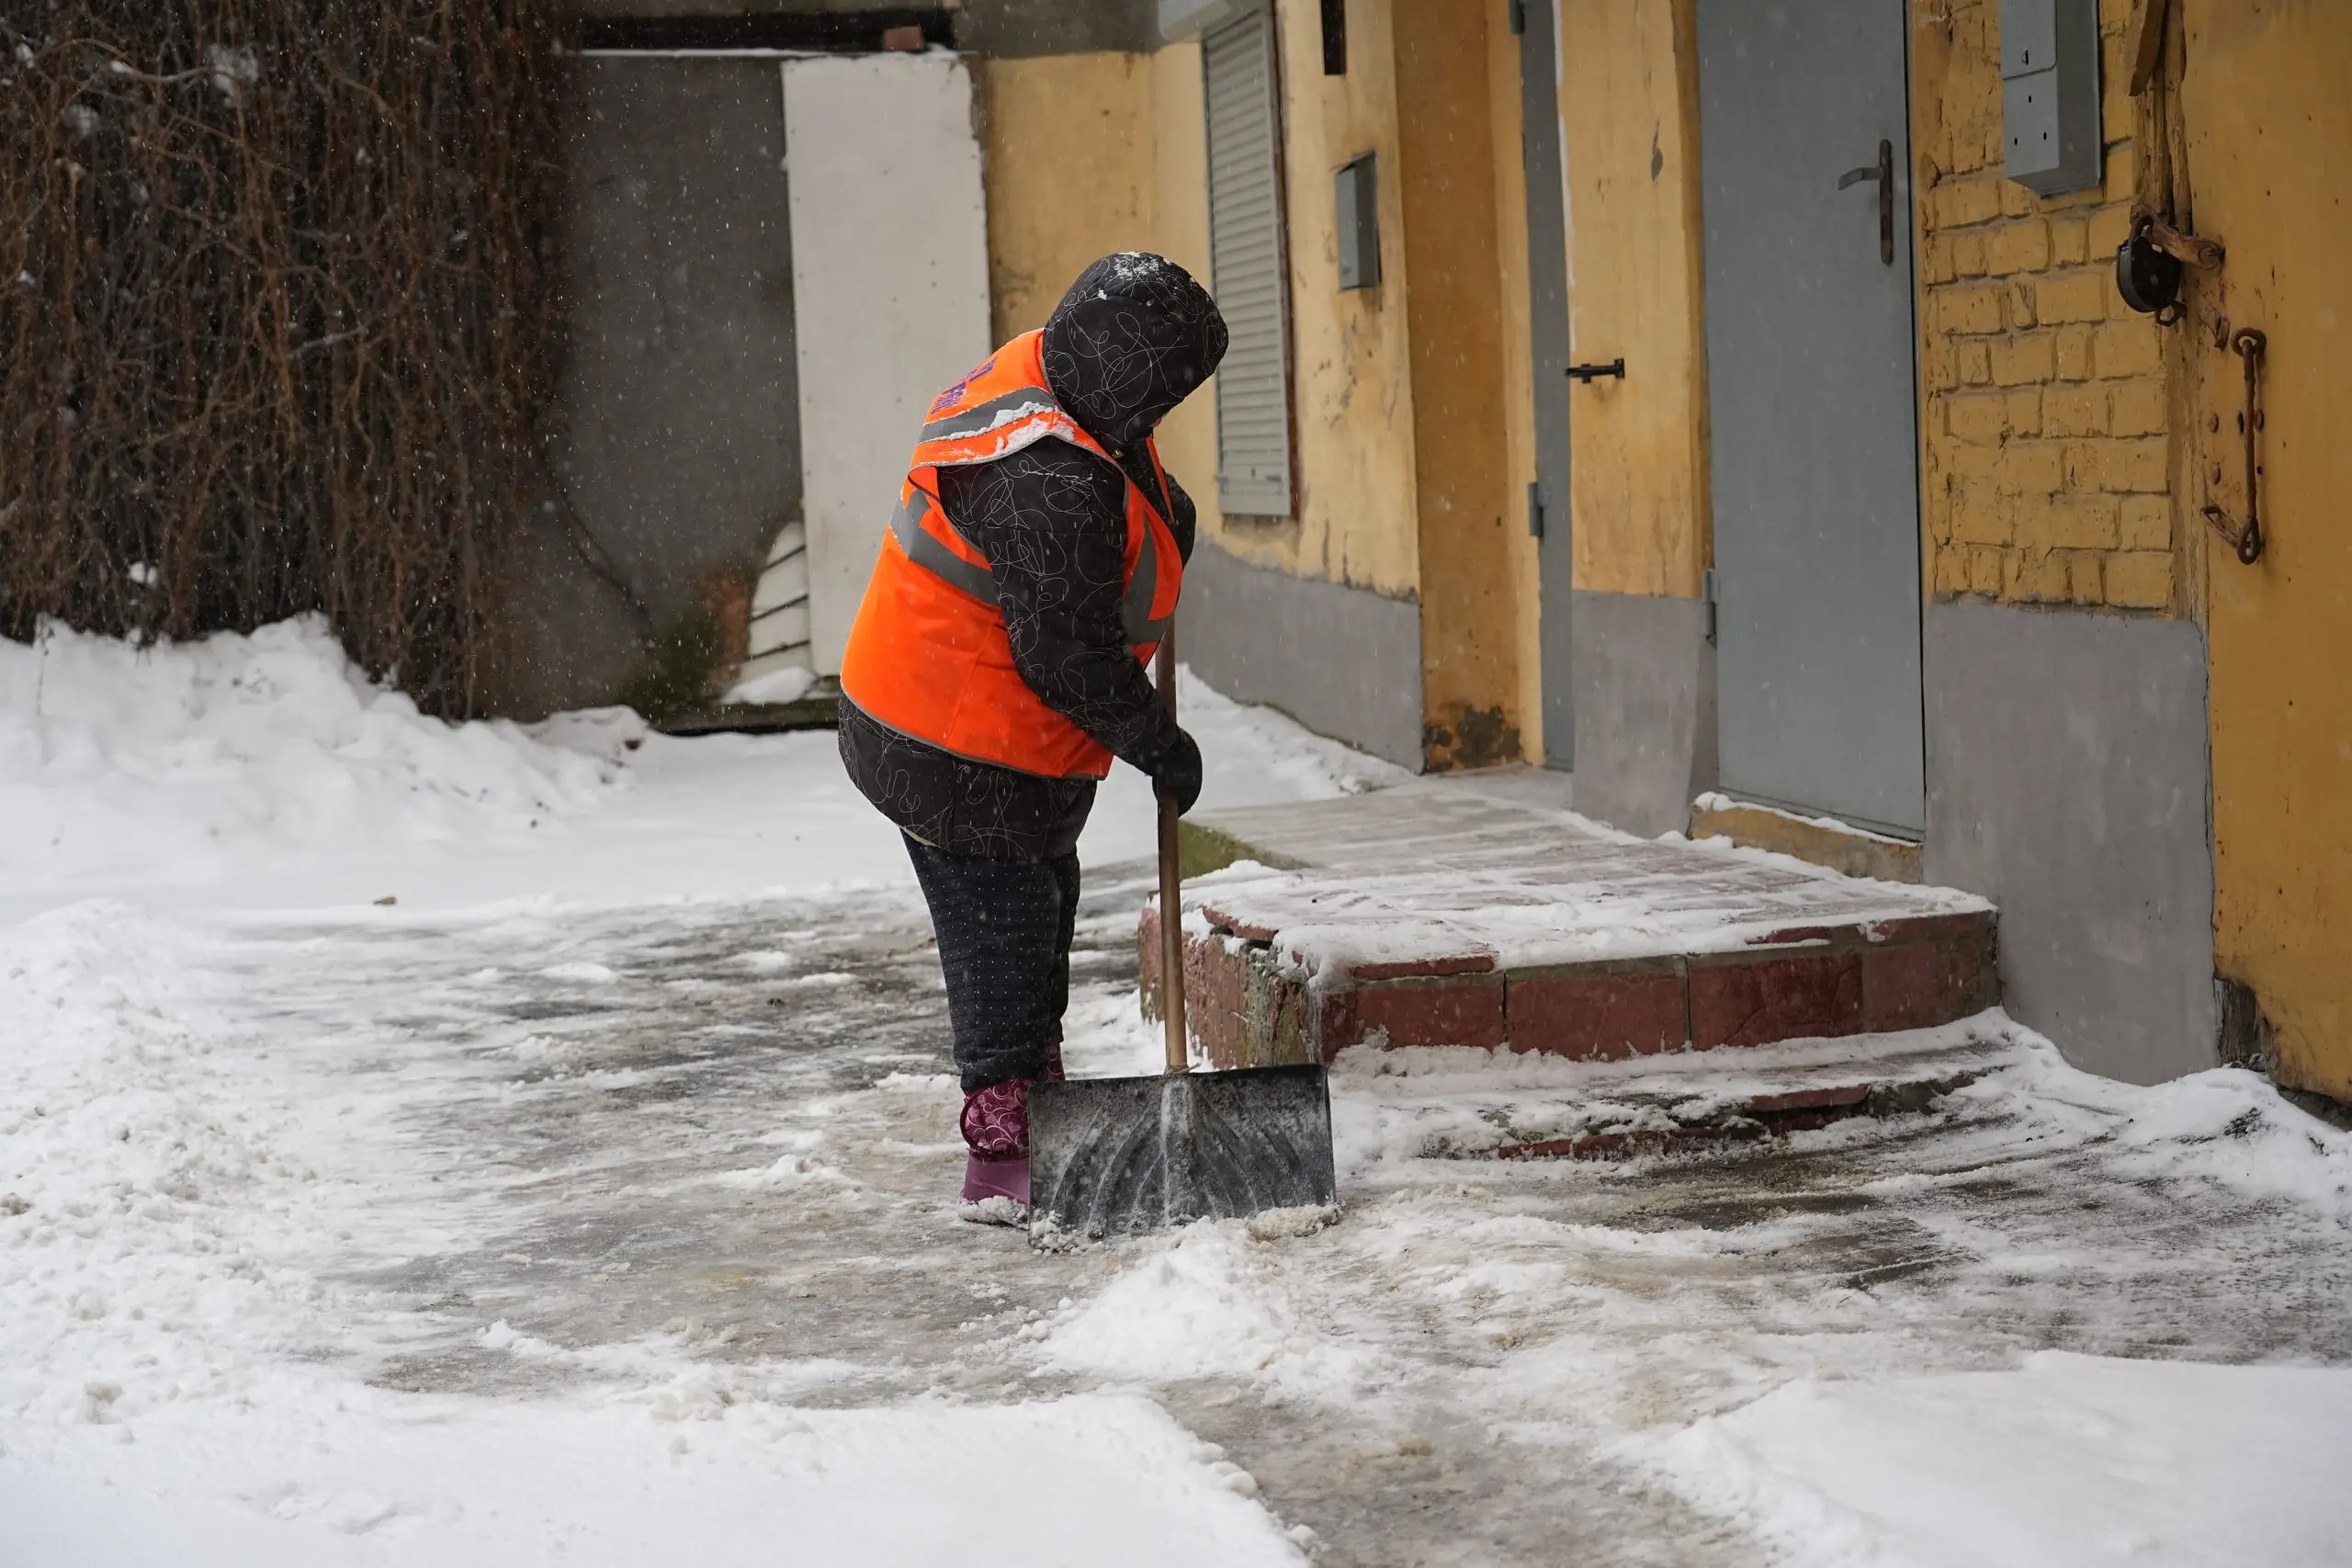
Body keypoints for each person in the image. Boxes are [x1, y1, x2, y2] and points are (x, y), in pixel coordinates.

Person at [836, 253, 1227, 1222]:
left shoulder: (1058, 381)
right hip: (950, 749)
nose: (1161, 419)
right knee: (1004, 931)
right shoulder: (1046, 482)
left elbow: (1117, 489)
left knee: (1041, 900)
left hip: (983, 734)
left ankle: (1035, 1102)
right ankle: (1001, 1159)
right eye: (1163, 396)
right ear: (1121, 376)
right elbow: (1064, 656)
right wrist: (1155, 743)